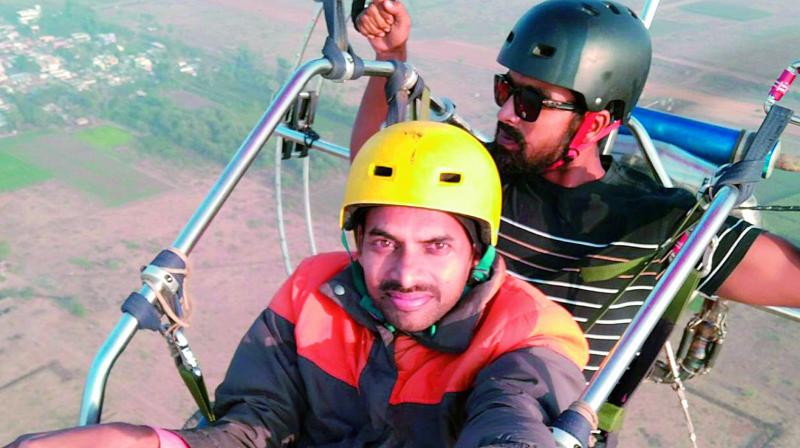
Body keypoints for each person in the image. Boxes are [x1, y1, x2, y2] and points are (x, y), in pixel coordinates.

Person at [351, 0, 800, 442]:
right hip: (423, 419)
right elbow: (374, 176)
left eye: (530, 102)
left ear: (596, 123)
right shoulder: (469, 173)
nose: (506, 114)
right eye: (505, 90)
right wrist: (391, 56)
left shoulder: (660, 223)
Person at [5, 121, 589, 448]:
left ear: (477, 250)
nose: (406, 274)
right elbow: (254, 422)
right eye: (384, 242)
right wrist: (147, 444)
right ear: (356, 242)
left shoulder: (529, 335)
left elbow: (514, 420)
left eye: (437, 247)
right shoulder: (316, 293)